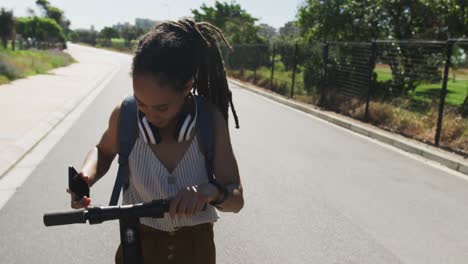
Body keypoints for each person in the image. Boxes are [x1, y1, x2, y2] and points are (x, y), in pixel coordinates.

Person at [66, 19, 244, 264]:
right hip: (137, 247)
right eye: (141, 103)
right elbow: (103, 152)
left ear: (187, 87)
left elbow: (236, 199)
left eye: (162, 107)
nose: (149, 115)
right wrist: (86, 176)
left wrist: (209, 192)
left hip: (197, 250)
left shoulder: (210, 119)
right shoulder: (126, 115)